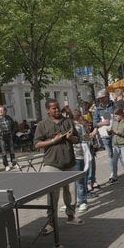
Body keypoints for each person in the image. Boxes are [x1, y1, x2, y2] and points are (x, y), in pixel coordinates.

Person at [33, 98, 84, 235]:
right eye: (53, 108)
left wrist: (71, 138)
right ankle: (51, 222)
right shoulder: (42, 125)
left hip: (69, 162)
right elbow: (37, 144)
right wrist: (53, 140)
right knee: (53, 194)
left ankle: (71, 216)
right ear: (48, 110)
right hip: (52, 163)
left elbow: (77, 139)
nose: (56, 110)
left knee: (71, 192)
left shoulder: (68, 121)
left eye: (58, 107)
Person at [92, 89, 115, 184]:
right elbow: (94, 124)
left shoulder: (114, 105)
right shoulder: (98, 109)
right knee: (110, 154)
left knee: (118, 153)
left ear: (107, 97)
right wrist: (102, 123)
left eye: (102, 98)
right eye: (99, 99)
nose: (101, 100)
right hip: (105, 134)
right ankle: (113, 173)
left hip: (115, 132)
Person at [72, 109, 92, 213]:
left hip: (77, 155)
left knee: (78, 180)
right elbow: (87, 138)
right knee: (80, 180)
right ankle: (80, 201)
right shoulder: (79, 126)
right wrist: (92, 135)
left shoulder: (77, 127)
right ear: (79, 118)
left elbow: (86, 138)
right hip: (78, 155)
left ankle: (82, 201)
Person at [109, 107, 124, 185]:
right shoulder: (115, 123)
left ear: (121, 115)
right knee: (114, 161)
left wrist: (120, 133)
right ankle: (115, 177)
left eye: (116, 116)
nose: (115, 118)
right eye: (114, 116)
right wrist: (110, 131)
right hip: (116, 145)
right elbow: (112, 133)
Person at [0, 106, 18, 171]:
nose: (0, 112)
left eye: (2, 110)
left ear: (5, 111)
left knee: (12, 150)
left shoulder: (9, 118)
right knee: (4, 152)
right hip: (2, 137)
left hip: (9, 136)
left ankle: (14, 164)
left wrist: (12, 133)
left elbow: (13, 126)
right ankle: (6, 165)